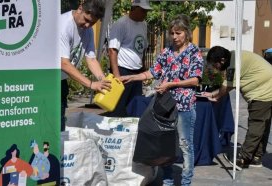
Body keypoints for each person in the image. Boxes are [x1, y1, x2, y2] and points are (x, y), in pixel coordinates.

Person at [120, 14, 204, 186]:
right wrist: (132, 77)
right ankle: (167, 181)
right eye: (172, 33)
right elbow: (153, 72)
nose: (174, 37)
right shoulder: (166, 52)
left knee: (185, 145)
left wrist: (171, 84)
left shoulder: (194, 52)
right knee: (164, 145)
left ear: (186, 33)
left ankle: (186, 182)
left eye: (178, 33)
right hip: (164, 107)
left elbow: (195, 79)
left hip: (184, 106)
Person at [203, 46, 272, 170]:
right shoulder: (234, 57)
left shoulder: (234, 63)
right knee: (263, 125)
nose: (215, 68)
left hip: (263, 91)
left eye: (215, 65)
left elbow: (228, 86)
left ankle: (243, 158)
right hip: (267, 86)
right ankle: (256, 158)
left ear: (222, 60)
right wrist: (213, 94)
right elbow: (229, 85)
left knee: (256, 124)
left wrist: (216, 97)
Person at [61, 0, 111, 131]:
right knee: (50, 122)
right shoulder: (63, 25)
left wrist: (102, 79)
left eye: (93, 23)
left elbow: (91, 59)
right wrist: (91, 84)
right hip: (46, 81)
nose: (88, 25)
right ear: (80, 9)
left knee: (59, 120)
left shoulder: (88, 30)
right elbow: (63, 63)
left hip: (61, 81)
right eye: (86, 19)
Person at [107, 0, 152, 117]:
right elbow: (112, 50)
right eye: (142, 10)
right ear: (134, 8)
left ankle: (131, 134)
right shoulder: (121, 24)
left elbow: (142, 48)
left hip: (136, 73)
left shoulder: (144, 24)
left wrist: (143, 69)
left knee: (134, 107)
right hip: (122, 70)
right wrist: (117, 77)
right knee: (118, 108)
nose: (145, 13)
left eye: (146, 11)